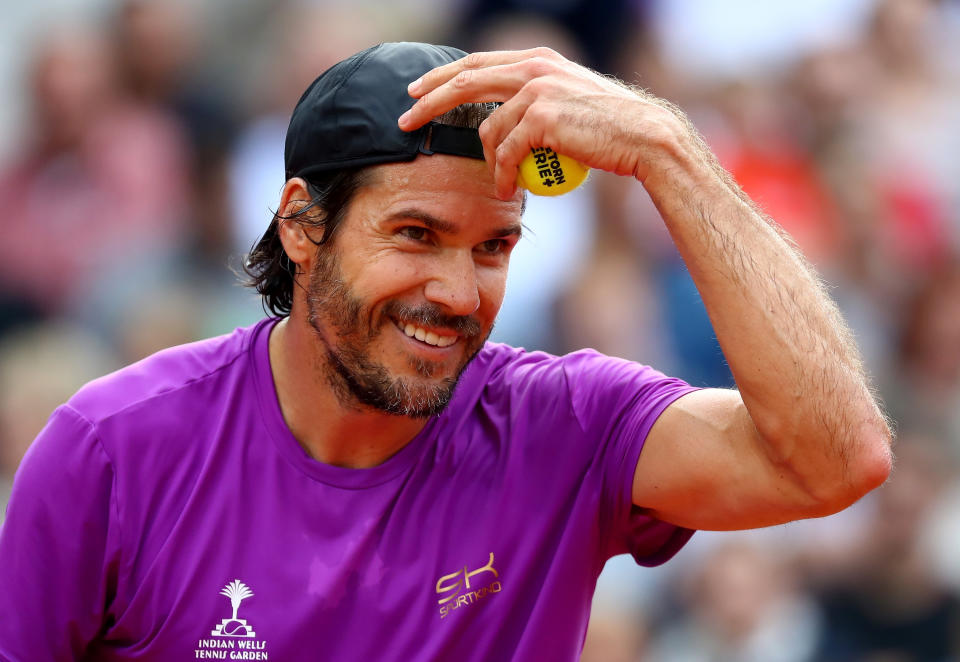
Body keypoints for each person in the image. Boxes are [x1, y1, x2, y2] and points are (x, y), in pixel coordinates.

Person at [0, 42, 891, 661]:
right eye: (416, 233)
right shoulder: (111, 449)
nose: (460, 294)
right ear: (302, 224)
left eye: (494, 247)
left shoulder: (566, 426)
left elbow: (834, 459)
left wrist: (671, 150)